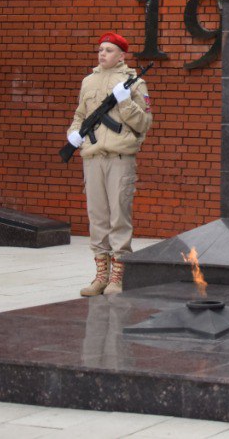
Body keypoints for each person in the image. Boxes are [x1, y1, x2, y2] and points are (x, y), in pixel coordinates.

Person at [66, 32, 152, 297]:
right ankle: (100, 275)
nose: (102, 54)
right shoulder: (88, 81)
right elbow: (81, 114)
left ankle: (118, 276)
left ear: (121, 55)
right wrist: (73, 133)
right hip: (92, 157)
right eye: (100, 49)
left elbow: (144, 123)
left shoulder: (134, 83)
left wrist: (124, 102)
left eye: (108, 50)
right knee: (98, 217)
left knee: (118, 216)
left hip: (119, 157)